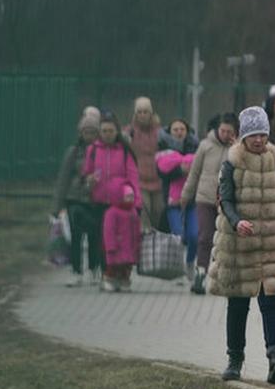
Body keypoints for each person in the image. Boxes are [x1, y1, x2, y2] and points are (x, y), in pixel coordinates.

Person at [208, 106, 275, 384]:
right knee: (238, 304)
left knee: (271, 300)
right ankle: (235, 359)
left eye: (262, 134)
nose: (259, 140)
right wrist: (237, 222)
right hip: (239, 244)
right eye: (253, 135)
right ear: (243, 136)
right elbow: (225, 201)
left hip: (271, 242)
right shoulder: (232, 162)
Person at [82, 112, 141, 292]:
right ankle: (105, 273)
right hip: (99, 202)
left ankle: (121, 274)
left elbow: (133, 177)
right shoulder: (93, 150)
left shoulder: (124, 151)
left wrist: (136, 203)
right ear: (99, 131)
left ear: (117, 131)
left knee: (122, 240)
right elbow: (86, 173)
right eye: (104, 130)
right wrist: (89, 180)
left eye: (110, 130)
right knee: (103, 239)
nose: (107, 134)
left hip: (120, 204)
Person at [181, 112, 238, 295]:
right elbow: (194, 173)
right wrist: (186, 194)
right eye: (223, 130)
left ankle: (222, 276)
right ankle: (200, 273)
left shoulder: (237, 149)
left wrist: (236, 147)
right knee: (205, 236)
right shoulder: (205, 146)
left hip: (227, 202)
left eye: (230, 132)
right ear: (217, 129)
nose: (226, 134)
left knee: (225, 240)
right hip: (204, 198)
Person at [52, 106, 105, 287]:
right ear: (80, 132)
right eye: (85, 132)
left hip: (96, 199)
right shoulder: (73, 152)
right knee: (76, 235)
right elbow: (63, 179)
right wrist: (57, 206)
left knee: (95, 236)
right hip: (75, 199)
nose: (89, 135)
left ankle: (94, 269)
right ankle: (76, 270)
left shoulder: (102, 152)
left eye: (92, 132)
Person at [156, 118, 199, 278]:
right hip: (172, 201)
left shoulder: (195, 148)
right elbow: (161, 173)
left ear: (187, 131)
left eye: (182, 129)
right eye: (175, 129)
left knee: (194, 235)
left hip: (193, 199)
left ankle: (189, 262)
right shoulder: (162, 149)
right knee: (177, 235)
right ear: (170, 132)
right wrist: (180, 170)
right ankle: (178, 268)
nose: (179, 132)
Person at [125, 96, 165, 231]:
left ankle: (155, 242)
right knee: (145, 211)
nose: (142, 115)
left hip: (158, 179)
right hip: (139, 180)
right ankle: (145, 241)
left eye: (145, 112)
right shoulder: (130, 132)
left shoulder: (160, 132)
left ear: (151, 113)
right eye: (139, 112)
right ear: (135, 114)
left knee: (158, 211)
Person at [101, 184, 141, 292]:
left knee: (126, 266)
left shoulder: (133, 212)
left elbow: (137, 228)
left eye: (132, 197)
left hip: (130, 246)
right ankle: (110, 280)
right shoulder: (112, 212)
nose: (130, 199)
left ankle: (124, 280)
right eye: (128, 197)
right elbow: (109, 231)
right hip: (117, 246)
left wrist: (138, 243)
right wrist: (110, 245)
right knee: (113, 266)